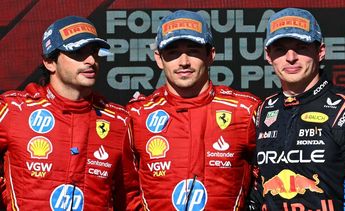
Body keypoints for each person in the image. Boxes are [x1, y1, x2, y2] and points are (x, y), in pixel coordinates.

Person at [0, 16, 140, 210]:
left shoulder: (118, 120)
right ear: (50, 62)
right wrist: (9, 197)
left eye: (94, 52)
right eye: (78, 53)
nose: (91, 60)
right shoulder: (13, 109)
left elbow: (129, 197)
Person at [126, 10, 261, 210]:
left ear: (210, 55)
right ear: (158, 58)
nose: (183, 62)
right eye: (172, 53)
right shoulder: (136, 114)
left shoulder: (246, 109)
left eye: (193, 51)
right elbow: (124, 190)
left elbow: (268, 181)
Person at [250, 8, 345, 210]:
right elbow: (257, 193)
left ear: (321, 51)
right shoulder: (264, 111)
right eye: (280, 49)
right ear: (268, 55)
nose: (291, 57)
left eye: (301, 47)